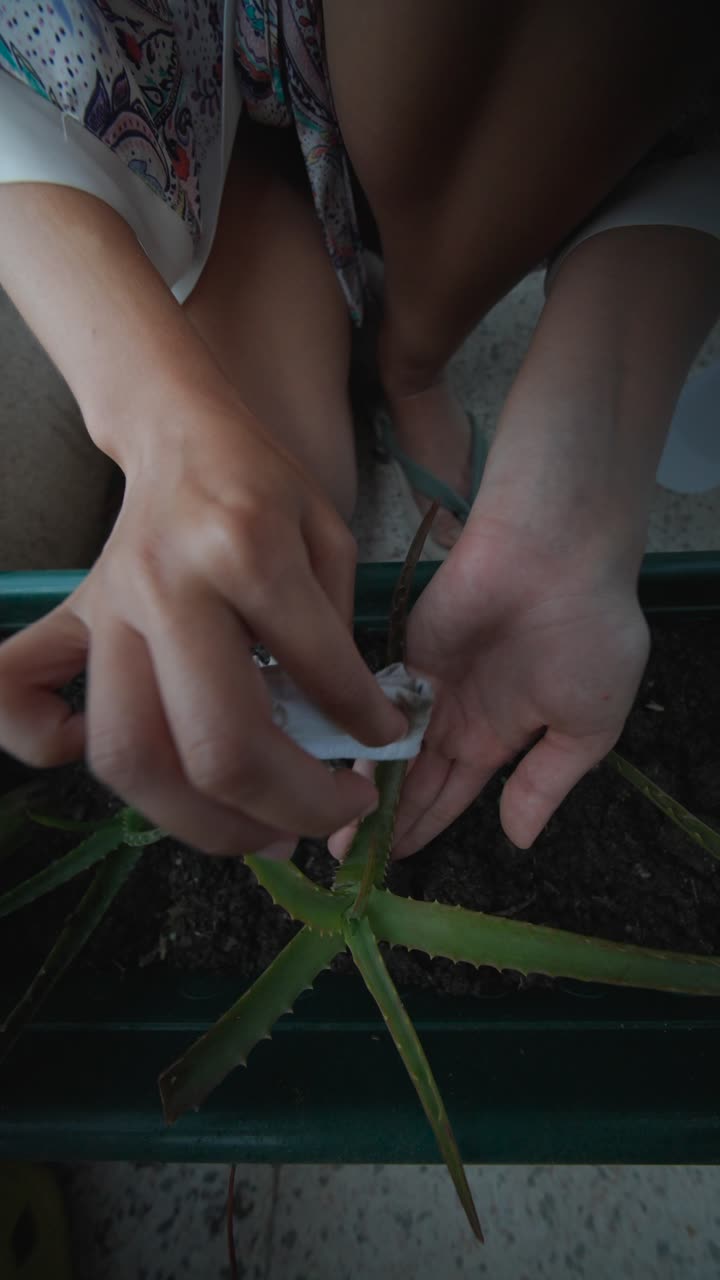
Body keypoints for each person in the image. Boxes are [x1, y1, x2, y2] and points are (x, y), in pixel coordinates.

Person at [0, 1, 718, 860]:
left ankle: (413, 358)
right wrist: (164, 421)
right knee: (291, 515)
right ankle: (343, 304)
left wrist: (587, 480)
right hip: (168, 61)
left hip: (487, 101)